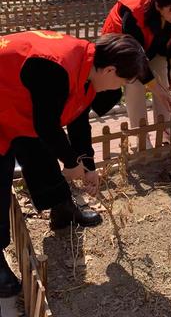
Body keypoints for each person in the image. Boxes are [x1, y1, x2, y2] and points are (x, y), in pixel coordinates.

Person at [0, 31, 148, 297]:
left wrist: (86, 165)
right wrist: (70, 163)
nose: (119, 89)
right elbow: (46, 125)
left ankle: (63, 211)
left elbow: (78, 121)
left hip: (17, 104)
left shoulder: (88, 68)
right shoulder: (55, 67)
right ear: (111, 69)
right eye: (122, 82)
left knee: (41, 153)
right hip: (5, 100)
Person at [102, 0, 171, 146]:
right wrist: (156, 89)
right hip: (123, 46)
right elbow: (136, 59)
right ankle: (140, 136)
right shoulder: (134, 13)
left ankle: (165, 129)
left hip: (154, 43)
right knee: (134, 82)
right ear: (158, 6)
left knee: (162, 75)